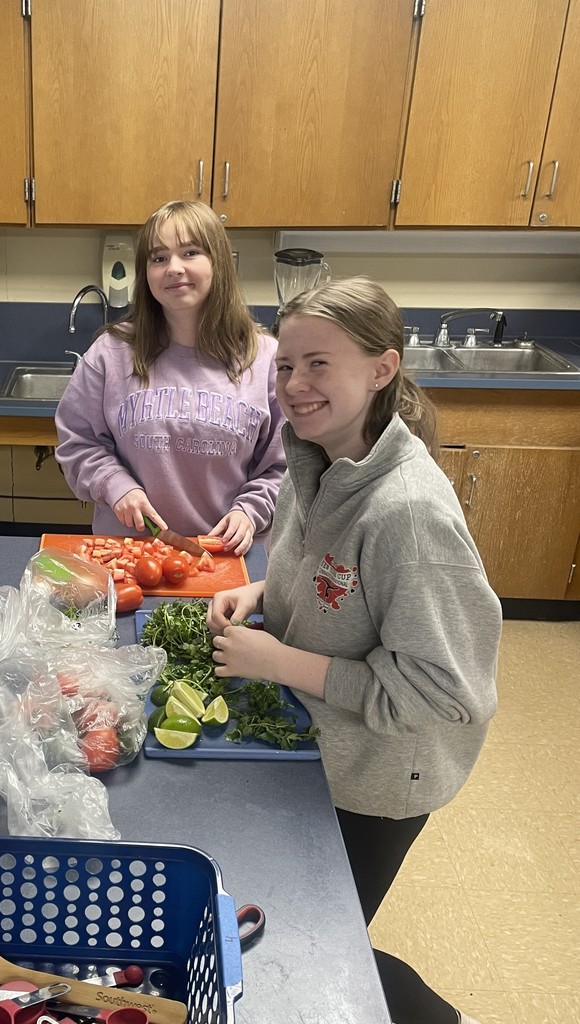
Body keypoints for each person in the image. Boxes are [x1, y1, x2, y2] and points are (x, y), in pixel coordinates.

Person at [207, 277, 499, 1024]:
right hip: (320, 744)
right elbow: (327, 578)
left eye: (319, 364)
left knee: (312, 940)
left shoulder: (409, 515)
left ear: (381, 369)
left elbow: (440, 694)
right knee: (283, 926)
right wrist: (262, 593)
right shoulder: (314, 458)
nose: (294, 385)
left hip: (380, 776)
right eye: (285, 365)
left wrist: (277, 662)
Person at [55, 200, 286, 555]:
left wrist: (250, 511)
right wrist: (116, 485)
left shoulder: (266, 358)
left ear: (219, 262)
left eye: (190, 252)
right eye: (159, 258)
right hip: (131, 555)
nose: (174, 269)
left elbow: (283, 466)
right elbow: (78, 443)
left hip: (226, 556)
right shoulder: (110, 353)